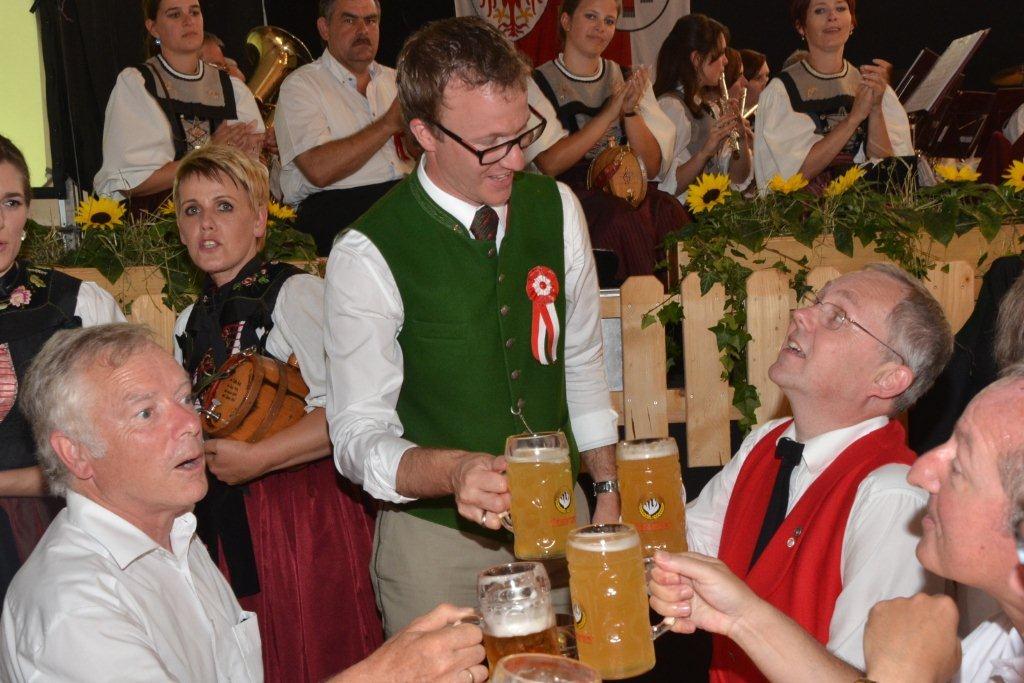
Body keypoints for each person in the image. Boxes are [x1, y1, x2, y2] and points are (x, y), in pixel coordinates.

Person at [325, 16, 620, 636]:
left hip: (560, 518)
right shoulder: (369, 251)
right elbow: (356, 437)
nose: (516, 158)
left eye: (522, 133)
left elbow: (582, 362)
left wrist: (606, 488)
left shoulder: (557, 208)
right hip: (435, 547)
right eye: (491, 144)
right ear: (424, 134)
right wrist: (453, 471)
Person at [0, 324, 488, 683]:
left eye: (185, 399)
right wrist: (383, 676)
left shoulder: (175, 536)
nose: (190, 424)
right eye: (146, 413)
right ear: (76, 453)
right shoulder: (72, 607)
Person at [650, 365, 1024, 683]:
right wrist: (740, 616)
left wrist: (900, 673)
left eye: (959, 466)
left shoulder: (889, 491)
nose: (919, 471)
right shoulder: (997, 644)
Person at [169, 144, 382, 680]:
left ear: (260, 220)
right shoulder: (188, 321)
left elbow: (351, 414)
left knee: (314, 649)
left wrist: (258, 458)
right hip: (226, 518)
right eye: (192, 210)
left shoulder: (295, 294)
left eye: (224, 206)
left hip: (303, 511)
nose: (206, 224)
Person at [684, 263, 953, 678]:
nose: (801, 314)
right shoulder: (767, 441)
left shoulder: (893, 499)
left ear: (887, 379)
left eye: (839, 317)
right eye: (816, 302)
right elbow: (688, 549)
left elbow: (859, 675)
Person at [0, 134, 124, 601]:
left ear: (27, 212)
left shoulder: (73, 306)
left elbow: (116, 444)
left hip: (52, 533)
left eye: (11, 202)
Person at [529, 0, 686, 282]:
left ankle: (679, 304)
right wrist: (610, 113)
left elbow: (650, 168)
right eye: (591, 17)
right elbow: (549, 163)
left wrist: (630, 111)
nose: (600, 28)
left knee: (667, 209)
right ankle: (641, 304)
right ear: (566, 21)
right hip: (571, 192)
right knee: (619, 219)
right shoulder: (538, 82)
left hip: (624, 183)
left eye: (609, 21)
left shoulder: (627, 78)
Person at [93, 0, 264, 213]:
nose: (188, 21)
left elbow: (254, 173)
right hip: (160, 221)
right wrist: (209, 152)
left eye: (194, 12)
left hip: (228, 215)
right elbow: (129, 183)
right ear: (153, 28)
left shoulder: (232, 89)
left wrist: (252, 155)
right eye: (175, 14)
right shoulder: (138, 85)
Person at [274, 0, 414, 255]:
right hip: (336, 211)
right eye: (349, 20)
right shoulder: (301, 85)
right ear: (324, 28)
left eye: (371, 20)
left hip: (404, 199)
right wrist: (388, 123)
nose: (363, 30)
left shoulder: (397, 80)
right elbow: (319, 169)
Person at [753, 0, 912, 194]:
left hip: (863, 208)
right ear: (801, 26)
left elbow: (886, 174)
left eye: (840, 8)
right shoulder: (783, 91)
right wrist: (854, 118)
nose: (832, 16)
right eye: (820, 10)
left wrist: (876, 108)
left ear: (852, 22)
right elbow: (792, 176)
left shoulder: (868, 84)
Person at [652, 14, 752, 204]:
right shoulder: (671, 107)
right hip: (680, 216)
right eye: (720, 53)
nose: (725, 61)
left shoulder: (708, 107)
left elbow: (737, 179)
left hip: (709, 215)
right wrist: (705, 152)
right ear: (697, 59)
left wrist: (740, 138)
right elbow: (665, 188)